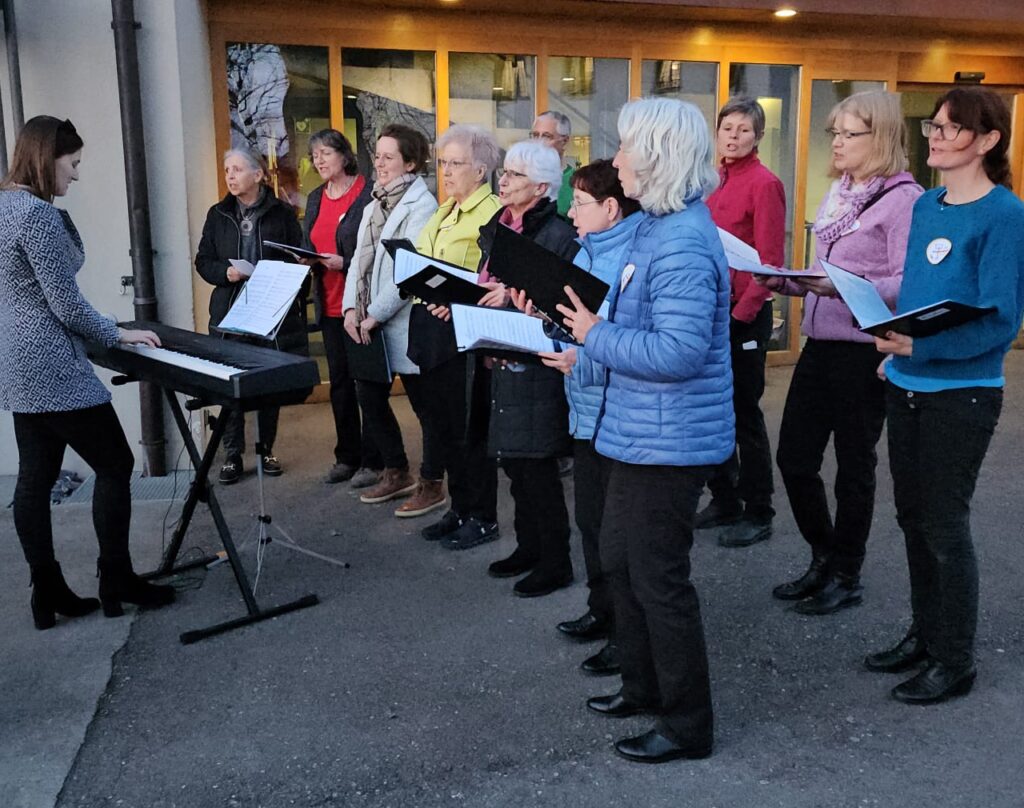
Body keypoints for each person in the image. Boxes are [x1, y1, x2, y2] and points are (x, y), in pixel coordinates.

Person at [559, 98, 733, 763]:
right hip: (638, 430)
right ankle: (642, 685)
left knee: (658, 580)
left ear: (657, 158)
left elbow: (679, 353)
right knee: (620, 562)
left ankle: (688, 726)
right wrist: (579, 323)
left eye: (628, 147)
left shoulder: (684, 239)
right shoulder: (658, 228)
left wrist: (594, 335)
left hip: (671, 439)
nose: (617, 160)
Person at [870, 88, 1024, 705]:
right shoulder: (929, 205)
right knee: (912, 520)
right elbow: (917, 298)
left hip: (962, 395)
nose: (933, 136)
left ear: (986, 141)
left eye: (950, 129)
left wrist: (919, 352)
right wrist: (899, 358)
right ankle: (924, 634)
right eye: (932, 126)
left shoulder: (1004, 214)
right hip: (908, 387)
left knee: (943, 524)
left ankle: (954, 659)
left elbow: (1000, 322)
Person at [0, 116, 175, 628]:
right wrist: (119, 332)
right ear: (45, 157)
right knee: (117, 465)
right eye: (72, 164)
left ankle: (47, 591)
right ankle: (117, 578)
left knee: (34, 479)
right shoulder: (35, 215)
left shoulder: (4, 206)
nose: (75, 175)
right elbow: (67, 306)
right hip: (53, 364)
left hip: (16, 363)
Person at [762, 91, 923, 615]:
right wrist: (793, 282)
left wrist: (847, 285)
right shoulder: (840, 194)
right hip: (821, 345)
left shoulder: (905, 200)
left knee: (854, 467)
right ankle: (823, 555)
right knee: (794, 459)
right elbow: (826, 273)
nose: (835, 143)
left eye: (846, 134)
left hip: (863, 352)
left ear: (878, 138)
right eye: (835, 132)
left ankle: (845, 572)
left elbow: (909, 282)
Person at [526, 160, 641, 673]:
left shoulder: (633, 255)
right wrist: (544, 317)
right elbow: (578, 321)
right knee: (590, 522)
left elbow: (624, 337)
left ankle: (628, 634)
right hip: (588, 407)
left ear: (611, 208)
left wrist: (582, 357)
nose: (571, 211)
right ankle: (602, 610)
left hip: (617, 412)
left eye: (581, 202)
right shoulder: (590, 250)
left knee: (618, 535)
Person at [457, 139, 578, 599]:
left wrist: (512, 294)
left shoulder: (559, 235)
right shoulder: (501, 225)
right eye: (503, 172)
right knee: (513, 464)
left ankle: (556, 561)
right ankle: (529, 548)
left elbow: (567, 302)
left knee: (537, 468)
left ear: (543, 187)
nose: (502, 181)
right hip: (497, 353)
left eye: (514, 175)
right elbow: (489, 281)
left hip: (537, 361)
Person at [698, 97, 786, 548]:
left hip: (742, 315)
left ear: (759, 136)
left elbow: (770, 263)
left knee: (744, 414)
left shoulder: (765, 184)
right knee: (712, 409)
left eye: (744, 130)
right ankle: (724, 496)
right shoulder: (710, 181)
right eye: (727, 128)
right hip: (710, 312)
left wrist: (740, 315)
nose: (733, 136)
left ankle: (759, 508)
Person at [195, 148, 309, 484]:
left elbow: (296, 258)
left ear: (257, 175)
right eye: (226, 169)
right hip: (230, 309)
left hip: (268, 309)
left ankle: (265, 449)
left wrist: (292, 285)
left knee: (266, 383)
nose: (230, 176)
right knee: (229, 384)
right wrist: (224, 274)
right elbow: (203, 261)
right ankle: (232, 455)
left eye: (237, 169)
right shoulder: (218, 214)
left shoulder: (282, 214)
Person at [408, 125, 501, 526]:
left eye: (455, 163)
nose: (445, 172)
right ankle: (458, 508)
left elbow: (492, 277)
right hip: (429, 326)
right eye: (442, 162)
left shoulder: (492, 213)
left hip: (460, 330)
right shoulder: (444, 210)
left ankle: (479, 514)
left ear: (480, 171)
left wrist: (457, 299)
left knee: (468, 430)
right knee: (441, 426)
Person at [341, 124, 437, 508]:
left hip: (402, 323)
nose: (378, 163)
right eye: (376, 155)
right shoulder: (373, 203)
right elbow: (356, 264)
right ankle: (396, 471)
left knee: (425, 407)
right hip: (367, 321)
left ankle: (433, 481)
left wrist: (375, 314)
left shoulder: (422, 205)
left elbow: (408, 272)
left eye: (388, 157)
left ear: (410, 163)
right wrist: (351, 306)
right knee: (371, 398)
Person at [301, 129, 376, 486]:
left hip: (361, 304)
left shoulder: (366, 194)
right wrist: (305, 259)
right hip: (328, 303)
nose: (318, 160)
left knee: (368, 384)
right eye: (314, 154)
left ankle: (376, 461)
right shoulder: (316, 197)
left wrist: (343, 263)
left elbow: (375, 252)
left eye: (326, 152)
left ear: (344, 156)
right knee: (341, 385)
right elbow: (309, 240)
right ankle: (347, 456)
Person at [530, 111, 575, 218]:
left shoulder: (576, 183)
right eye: (535, 135)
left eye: (546, 136)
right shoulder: (523, 176)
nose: (539, 142)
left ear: (565, 140)